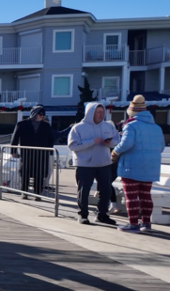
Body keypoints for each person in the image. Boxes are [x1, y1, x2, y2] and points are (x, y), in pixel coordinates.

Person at [112, 95, 164, 233]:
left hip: (131, 166)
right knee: (145, 195)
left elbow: (126, 144)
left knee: (131, 196)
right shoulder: (157, 128)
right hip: (150, 168)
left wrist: (115, 152)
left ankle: (133, 223)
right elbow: (161, 147)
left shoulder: (131, 125)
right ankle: (146, 223)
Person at [68, 103, 119, 226]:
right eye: (98, 112)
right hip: (85, 165)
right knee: (84, 191)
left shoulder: (108, 126)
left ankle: (102, 214)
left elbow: (117, 140)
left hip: (104, 163)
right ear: (90, 113)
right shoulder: (78, 128)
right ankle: (83, 215)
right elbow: (72, 145)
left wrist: (110, 143)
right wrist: (91, 142)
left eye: (103, 112)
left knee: (106, 190)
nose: (102, 114)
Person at [10, 105, 54, 200]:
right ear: (34, 114)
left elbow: (51, 139)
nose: (41, 116)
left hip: (41, 155)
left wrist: (50, 151)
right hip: (26, 154)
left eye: (43, 114)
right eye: (39, 114)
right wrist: (13, 151)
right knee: (25, 174)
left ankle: (37, 194)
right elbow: (15, 138)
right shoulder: (22, 124)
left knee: (39, 174)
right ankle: (24, 193)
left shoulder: (46, 126)